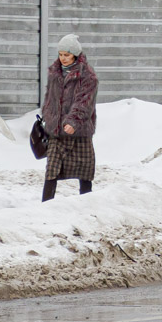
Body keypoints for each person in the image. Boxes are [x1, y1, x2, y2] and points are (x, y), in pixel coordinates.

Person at [41, 34, 98, 201]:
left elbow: (85, 102)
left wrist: (73, 121)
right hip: (57, 132)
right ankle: (45, 204)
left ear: (75, 54)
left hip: (78, 132)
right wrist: (47, 116)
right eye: (60, 54)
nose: (63, 58)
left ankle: (87, 203)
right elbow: (49, 97)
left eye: (67, 55)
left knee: (85, 170)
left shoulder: (87, 76)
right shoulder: (54, 72)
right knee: (51, 169)